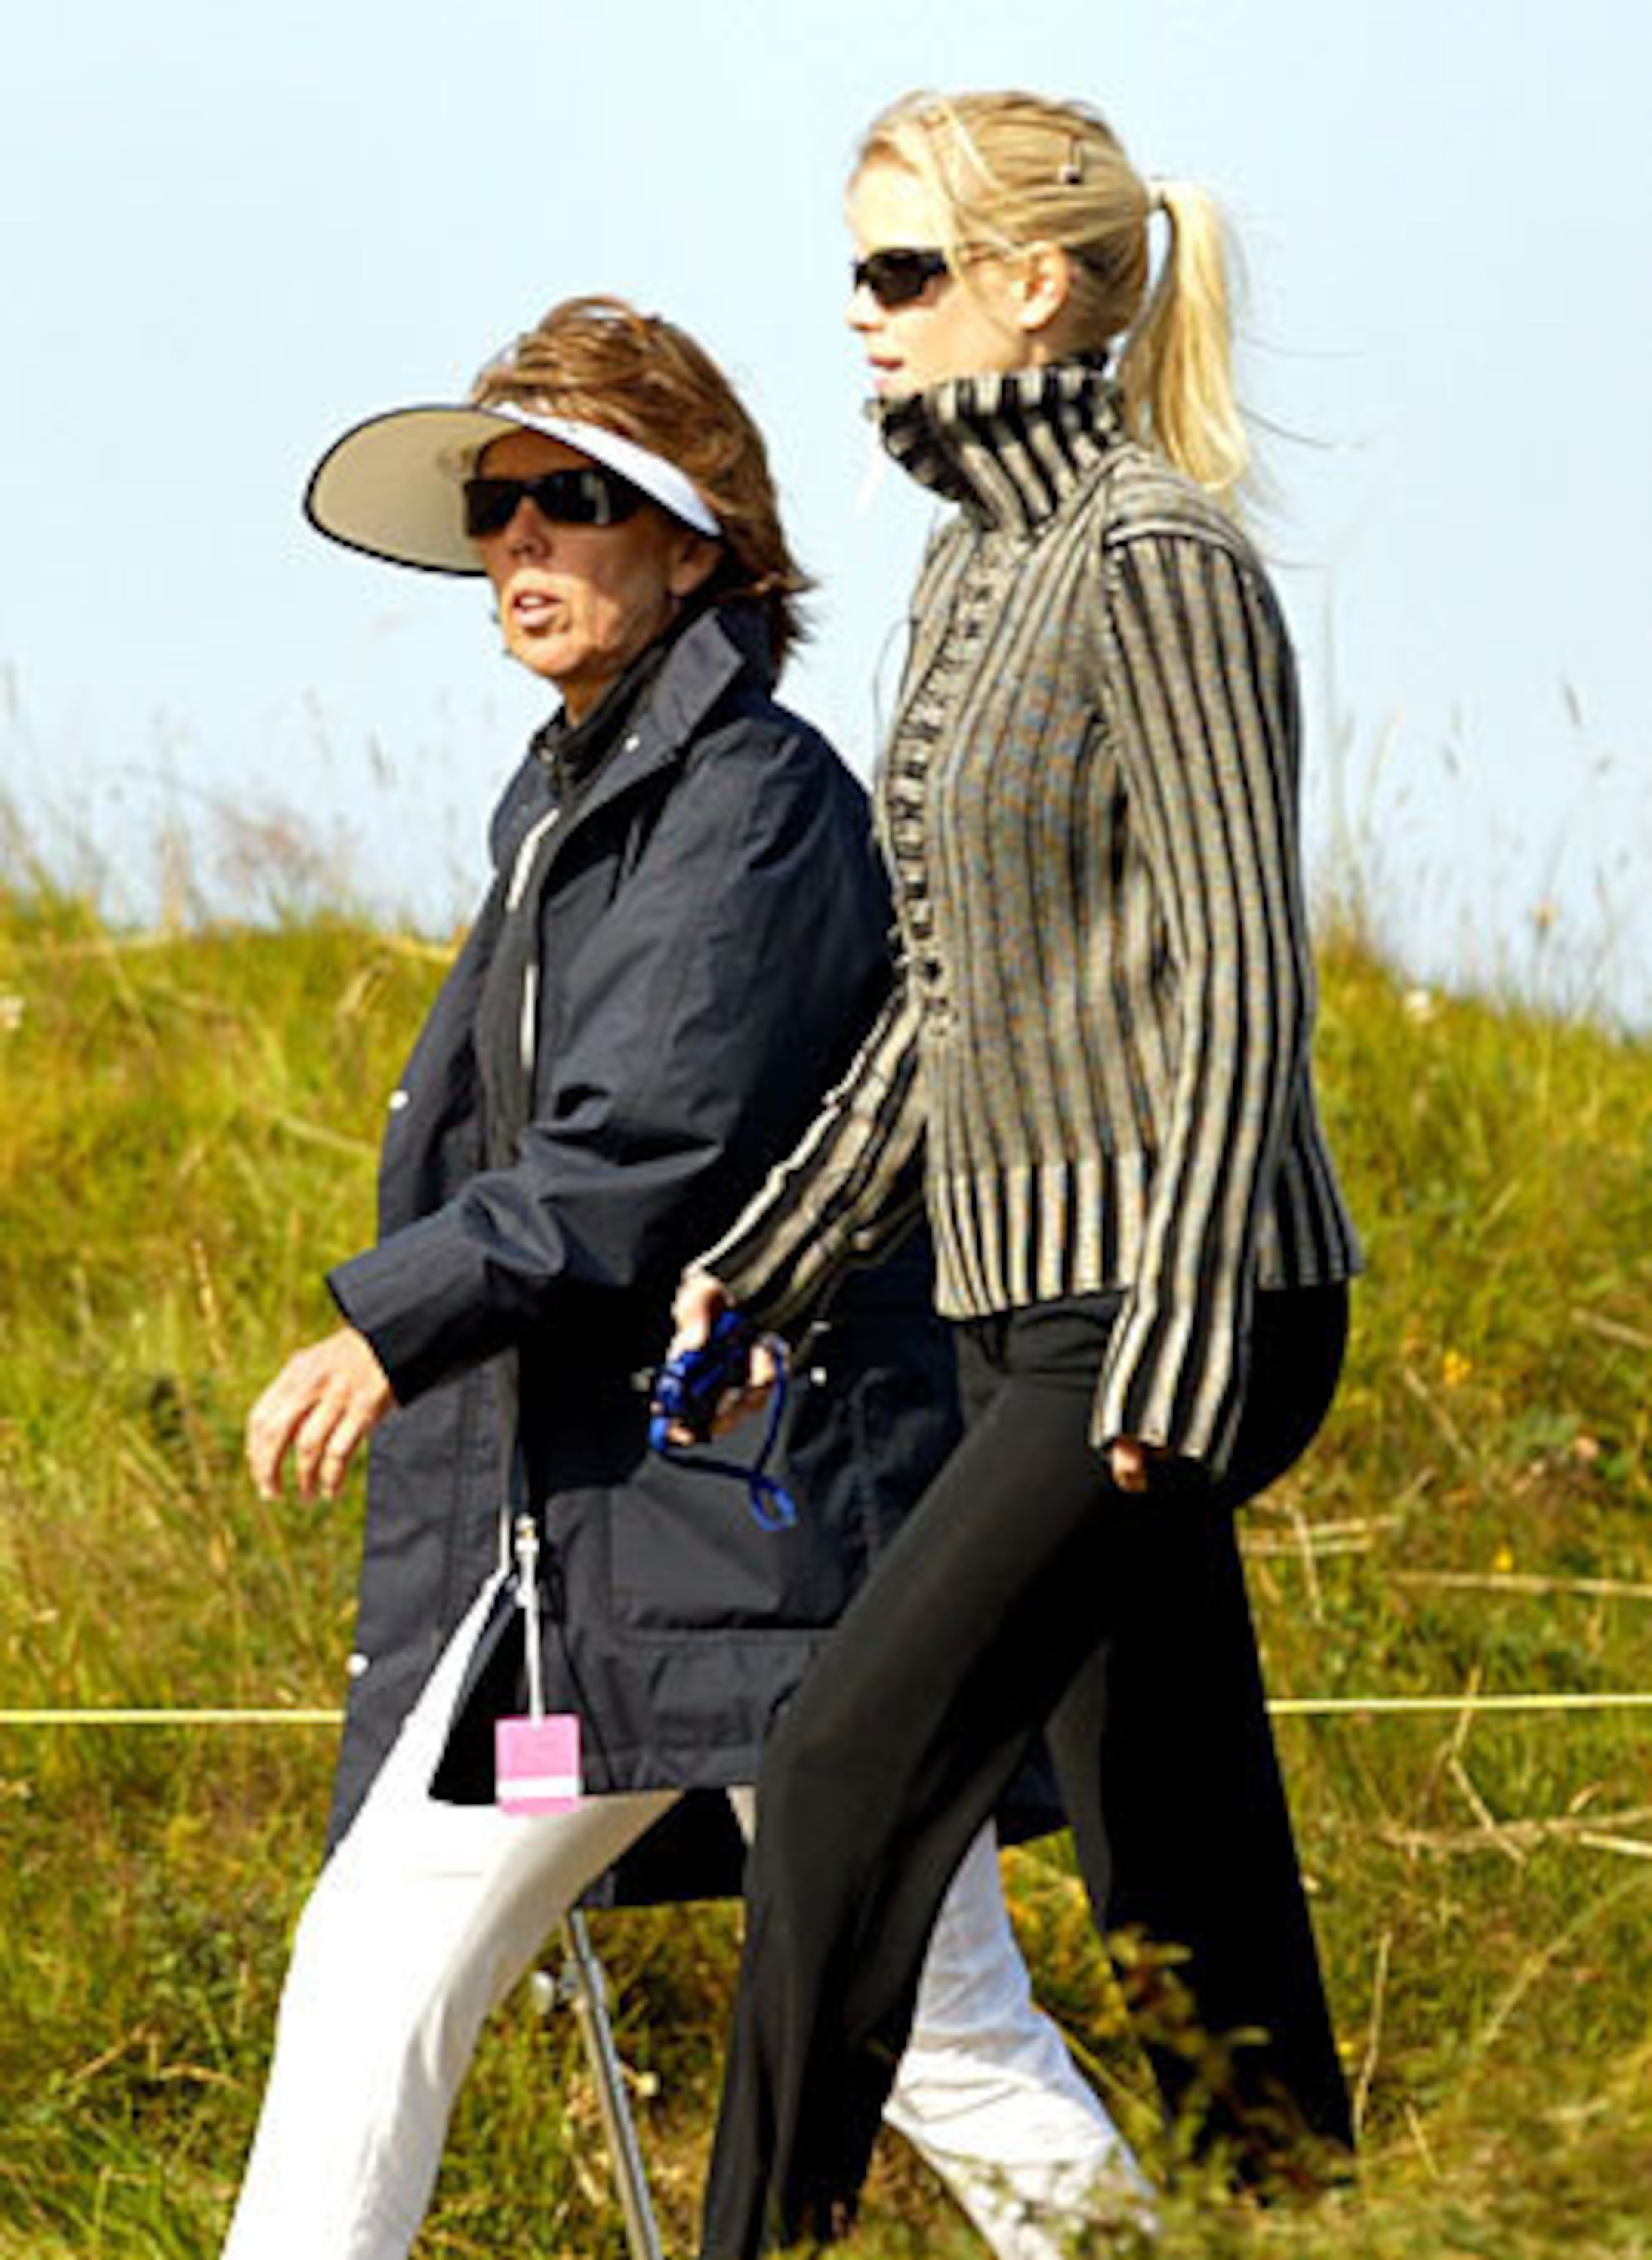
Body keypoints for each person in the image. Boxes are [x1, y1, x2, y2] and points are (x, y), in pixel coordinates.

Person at [223, 295, 1149, 2260]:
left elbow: (634, 1156)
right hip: (630, 1556)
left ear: (701, 539)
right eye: (498, 501)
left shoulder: (751, 801)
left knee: (920, 2028)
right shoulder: (585, 800)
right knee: (411, 1976)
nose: (521, 540)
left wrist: (384, 1329)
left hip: (755, 1540)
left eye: (574, 496)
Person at [667, 90, 1366, 2257]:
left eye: (898, 272)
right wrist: (770, 1264)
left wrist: (1174, 1335)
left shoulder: (1155, 554)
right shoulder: (976, 564)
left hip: (1182, 1296)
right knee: (1183, 1883)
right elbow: (956, 1004)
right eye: (855, 273)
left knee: (847, 1787)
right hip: (1019, 1300)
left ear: (1035, 284)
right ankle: (1312, 2225)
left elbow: (1244, 971)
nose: (856, 318)